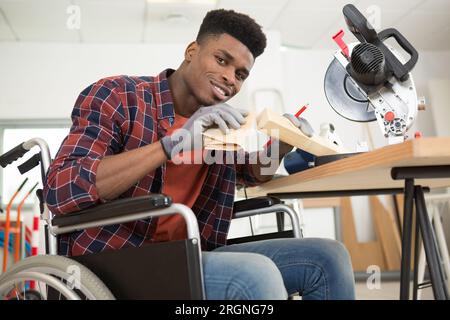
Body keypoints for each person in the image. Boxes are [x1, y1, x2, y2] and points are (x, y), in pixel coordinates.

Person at [44, 9, 355, 300]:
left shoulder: (219, 125)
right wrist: (172, 143)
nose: (230, 78)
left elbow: (251, 173)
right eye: (222, 60)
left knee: (329, 257)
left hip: (187, 254)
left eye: (241, 74)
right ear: (191, 51)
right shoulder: (117, 95)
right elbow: (61, 188)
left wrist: (283, 143)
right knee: (255, 276)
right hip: (115, 257)